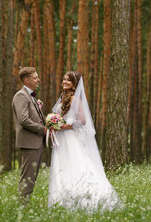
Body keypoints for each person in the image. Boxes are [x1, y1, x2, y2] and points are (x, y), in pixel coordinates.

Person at [48, 71, 123, 211]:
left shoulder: (75, 99)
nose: (64, 81)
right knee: (62, 167)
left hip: (70, 138)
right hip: (61, 139)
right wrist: (54, 123)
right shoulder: (63, 97)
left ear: (74, 84)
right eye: (64, 79)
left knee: (76, 165)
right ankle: (63, 201)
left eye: (68, 80)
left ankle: (92, 199)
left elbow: (82, 120)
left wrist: (63, 126)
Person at [12, 67, 47, 204]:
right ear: (27, 80)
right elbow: (23, 120)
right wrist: (42, 129)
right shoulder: (21, 95)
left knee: (31, 178)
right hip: (30, 143)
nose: (38, 80)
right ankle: (22, 209)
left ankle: (24, 206)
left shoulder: (30, 96)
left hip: (35, 143)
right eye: (35, 78)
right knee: (27, 178)